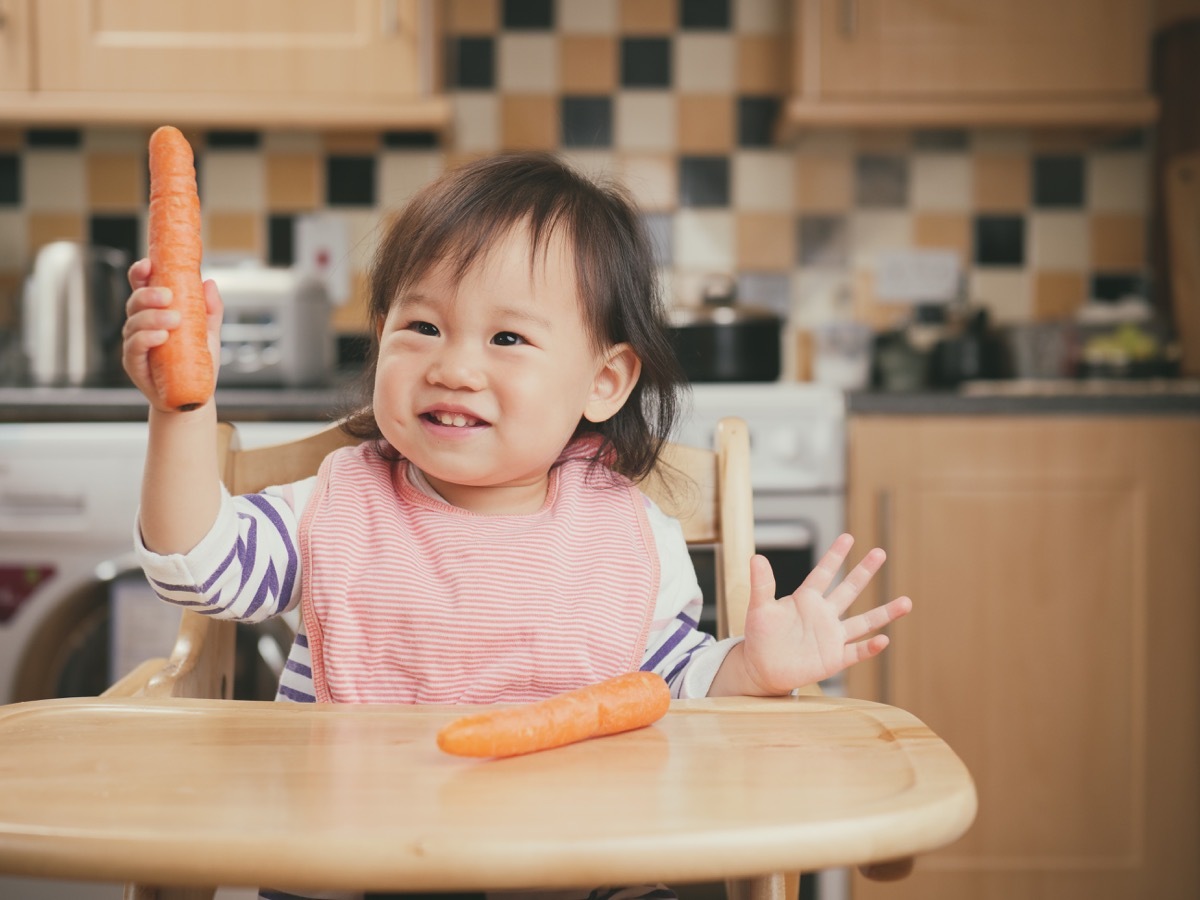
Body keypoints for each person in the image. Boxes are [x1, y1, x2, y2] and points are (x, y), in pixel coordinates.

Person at [123, 152, 913, 899]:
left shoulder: (628, 537)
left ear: (603, 381)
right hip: (353, 870)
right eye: (422, 327)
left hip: (581, 871)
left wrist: (754, 667)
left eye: (507, 338)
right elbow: (196, 564)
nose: (454, 367)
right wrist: (181, 408)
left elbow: (673, 690)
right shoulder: (331, 509)